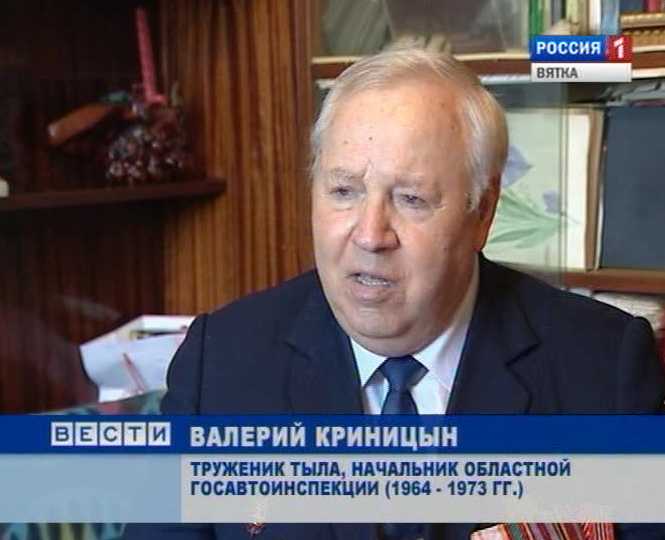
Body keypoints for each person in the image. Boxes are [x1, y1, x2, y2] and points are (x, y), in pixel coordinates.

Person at [123, 48, 665, 540]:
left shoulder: (603, 367)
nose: (370, 235)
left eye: (411, 199)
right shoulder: (222, 363)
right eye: (343, 191)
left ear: (482, 213)